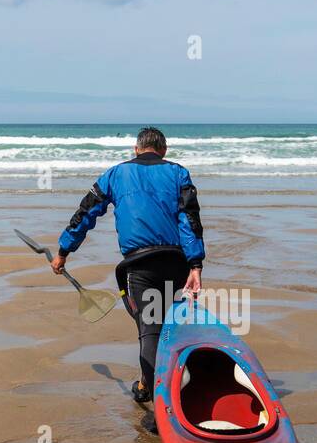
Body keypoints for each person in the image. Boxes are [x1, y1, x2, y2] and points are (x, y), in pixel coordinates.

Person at [51, 126, 204, 404]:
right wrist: (196, 266)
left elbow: (85, 212)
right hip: (176, 264)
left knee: (149, 328)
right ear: (164, 150)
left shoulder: (116, 173)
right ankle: (150, 382)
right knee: (161, 325)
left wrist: (64, 250)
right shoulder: (178, 172)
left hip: (140, 266)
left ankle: (161, 401)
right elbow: (189, 219)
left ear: (135, 149)